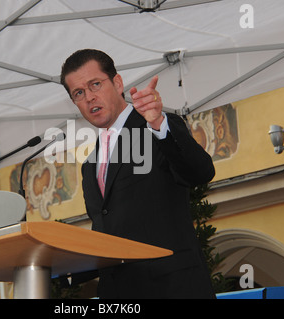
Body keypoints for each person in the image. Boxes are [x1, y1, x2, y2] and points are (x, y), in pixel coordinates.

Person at [60, 49, 216, 298]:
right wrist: (61, 270)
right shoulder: (90, 165)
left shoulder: (155, 126)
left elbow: (200, 172)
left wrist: (158, 124)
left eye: (95, 84)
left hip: (173, 289)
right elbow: (109, 233)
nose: (89, 97)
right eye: (79, 93)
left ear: (118, 83)